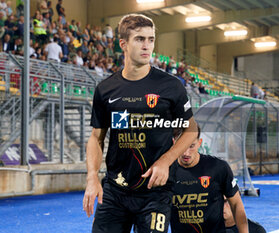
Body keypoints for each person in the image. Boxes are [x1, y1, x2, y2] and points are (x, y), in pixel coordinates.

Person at [83, 13, 197, 233]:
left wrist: (166, 161)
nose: (147, 46)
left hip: (156, 192)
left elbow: (190, 130)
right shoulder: (106, 89)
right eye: (140, 39)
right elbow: (96, 138)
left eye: (151, 39)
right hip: (116, 191)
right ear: (123, 44)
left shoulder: (171, 86)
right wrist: (92, 178)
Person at [170, 126, 249, 233]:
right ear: (174, 142)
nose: (186, 153)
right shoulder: (165, 171)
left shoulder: (218, 167)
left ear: (200, 143)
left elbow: (236, 204)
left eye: (191, 146)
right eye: (182, 146)